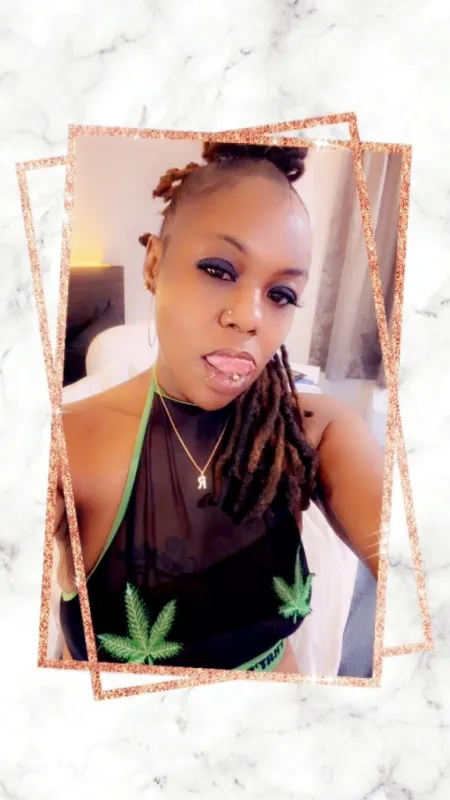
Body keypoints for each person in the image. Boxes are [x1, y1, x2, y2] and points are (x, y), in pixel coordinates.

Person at [54, 142, 384, 674]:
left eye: (281, 294)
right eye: (219, 269)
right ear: (154, 264)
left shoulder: (311, 435)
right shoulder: (66, 444)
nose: (249, 318)